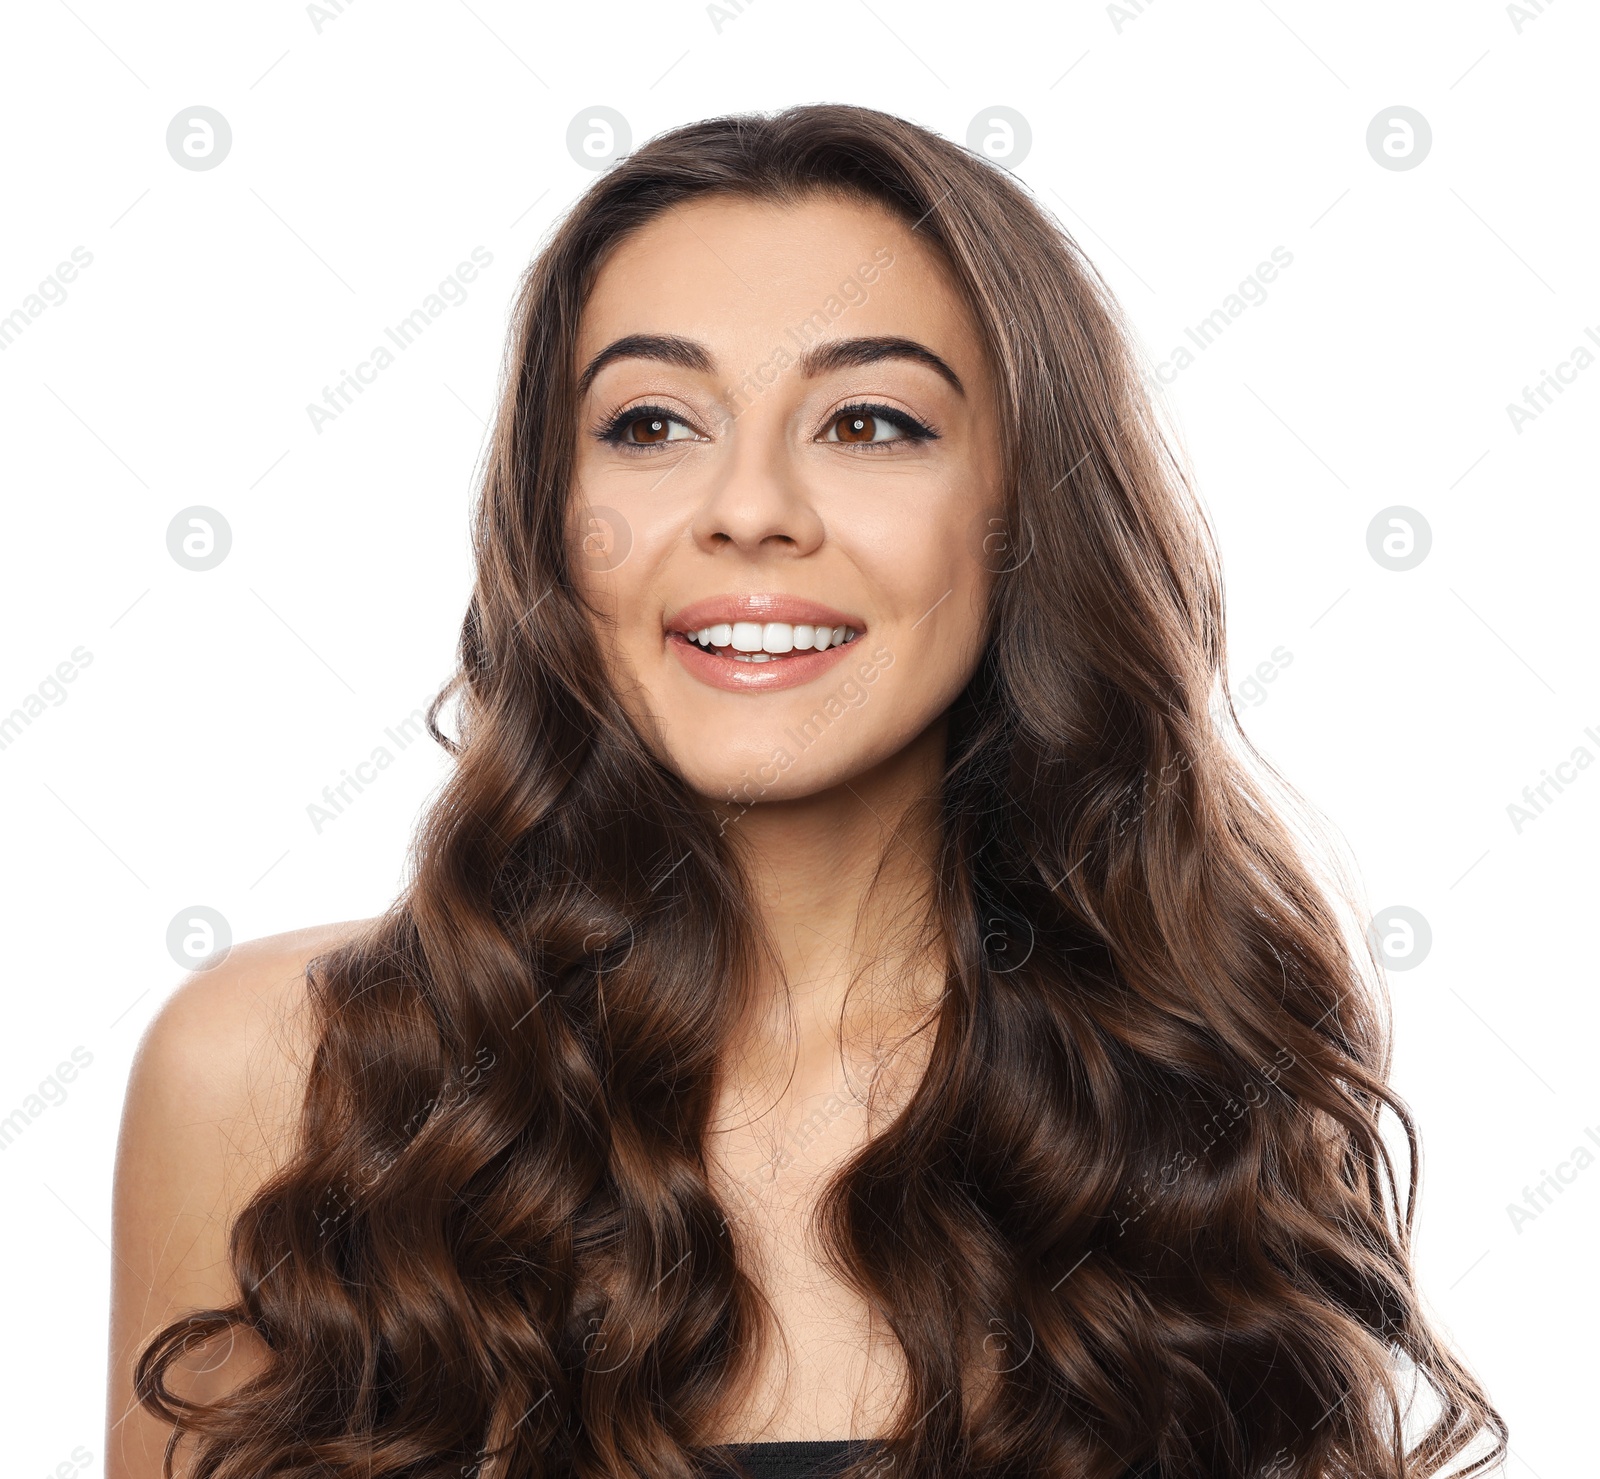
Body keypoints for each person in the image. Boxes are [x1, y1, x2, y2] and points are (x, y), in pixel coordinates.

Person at [107, 104, 1505, 1479]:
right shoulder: (276, 1075)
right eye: (652, 423)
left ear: (1020, 514)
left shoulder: (1184, 1083)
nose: (751, 505)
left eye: (872, 423)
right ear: (551, 518)